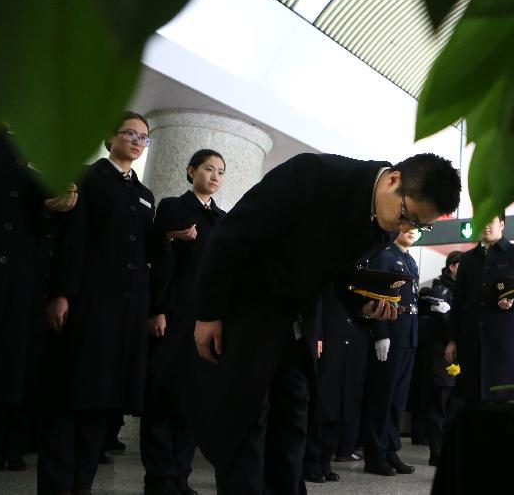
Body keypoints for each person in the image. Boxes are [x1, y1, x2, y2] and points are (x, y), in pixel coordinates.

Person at [188, 152, 461, 494]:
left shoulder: (382, 225)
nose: (405, 229)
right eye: (407, 216)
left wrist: (365, 305)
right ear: (394, 179)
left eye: (419, 226)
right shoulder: (312, 175)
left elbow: (338, 276)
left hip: (298, 324)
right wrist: (209, 312)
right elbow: (231, 235)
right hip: (248, 313)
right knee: (246, 424)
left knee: (292, 424)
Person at [39, 112, 155, 494]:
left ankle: (82, 486)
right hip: (88, 304)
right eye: (130, 133)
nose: (137, 141)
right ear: (111, 136)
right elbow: (72, 238)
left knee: (103, 404)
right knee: (69, 399)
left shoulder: (145, 194)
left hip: (126, 313)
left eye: (143, 137)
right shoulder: (88, 177)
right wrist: (61, 293)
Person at [0, 130, 77, 473]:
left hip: (27, 272)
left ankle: (7, 446)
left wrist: (55, 207)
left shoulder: (48, 145)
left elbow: (48, 213)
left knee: (15, 364)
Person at [141, 149, 227, 495]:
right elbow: (162, 262)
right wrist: (158, 308)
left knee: (191, 400)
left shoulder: (221, 219)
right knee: (162, 396)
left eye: (220, 171)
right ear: (191, 171)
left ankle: (181, 475)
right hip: (174, 314)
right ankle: (159, 478)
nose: (215, 176)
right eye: (208, 169)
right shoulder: (174, 207)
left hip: (203, 321)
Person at [444, 214, 514, 404]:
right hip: (471, 338)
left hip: (504, 340)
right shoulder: (468, 258)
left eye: (491, 220)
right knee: (470, 397)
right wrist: (452, 340)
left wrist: (513, 302)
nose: (485, 225)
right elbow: (458, 302)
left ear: (502, 224)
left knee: (504, 397)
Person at [360, 229, 420, 477]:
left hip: (408, 335)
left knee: (397, 399)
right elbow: (378, 296)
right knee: (382, 397)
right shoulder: (385, 256)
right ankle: (375, 454)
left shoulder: (409, 259)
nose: (412, 231)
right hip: (392, 334)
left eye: (417, 227)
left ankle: (390, 449)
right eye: (407, 225)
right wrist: (381, 333)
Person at [302, 282, 367, 483]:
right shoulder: (329, 272)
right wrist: (316, 335)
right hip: (328, 341)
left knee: (342, 405)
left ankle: (325, 461)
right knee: (323, 404)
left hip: (353, 342)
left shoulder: (359, 273)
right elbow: (317, 302)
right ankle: (311, 462)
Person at [413, 250, 460, 466]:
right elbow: (443, 322)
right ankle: (436, 450)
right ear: (452, 266)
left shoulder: (464, 289)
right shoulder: (439, 290)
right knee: (439, 404)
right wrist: (456, 337)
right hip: (442, 356)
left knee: (454, 406)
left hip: (458, 357)